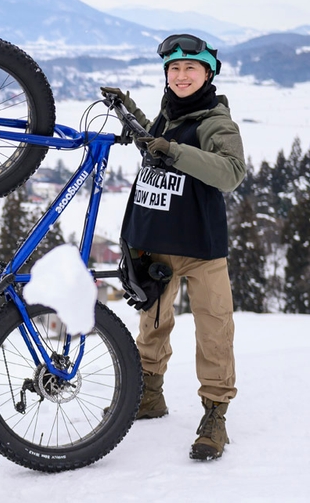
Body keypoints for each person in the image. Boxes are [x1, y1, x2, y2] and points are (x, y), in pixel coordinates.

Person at [102, 33, 246, 461]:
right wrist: (132, 114)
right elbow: (159, 143)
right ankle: (149, 396)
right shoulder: (169, 114)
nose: (182, 76)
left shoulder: (215, 121)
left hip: (201, 246)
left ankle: (215, 416)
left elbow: (231, 172)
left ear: (208, 74)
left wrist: (175, 151)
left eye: (191, 69)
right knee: (154, 322)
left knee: (214, 330)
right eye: (174, 69)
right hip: (159, 242)